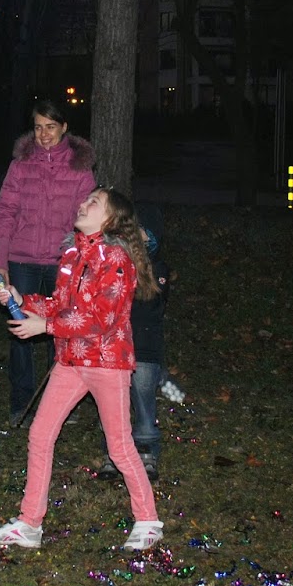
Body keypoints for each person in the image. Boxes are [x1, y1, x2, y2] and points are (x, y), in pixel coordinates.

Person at [0, 187, 165, 552]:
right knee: (40, 435)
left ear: (110, 219)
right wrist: (23, 300)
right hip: (70, 361)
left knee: (119, 446)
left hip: (107, 363)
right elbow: (60, 304)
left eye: (93, 203)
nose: (82, 204)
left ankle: (148, 521)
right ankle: (30, 523)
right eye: (84, 201)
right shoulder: (73, 253)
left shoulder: (117, 258)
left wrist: (45, 327)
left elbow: (102, 319)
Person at [0, 99, 96, 425]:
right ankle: (21, 403)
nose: (44, 134)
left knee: (61, 333)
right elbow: (5, 212)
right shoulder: (20, 165)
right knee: (20, 331)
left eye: (51, 127)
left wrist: (80, 261)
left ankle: (59, 404)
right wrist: (1, 261)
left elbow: (89, 218)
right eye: (38, 127)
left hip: (60, 262)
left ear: (64, 127)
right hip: (21, 260)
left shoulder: (79, 168)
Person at [99, 202, 169, 482]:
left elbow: (150, 305)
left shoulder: (157, 268)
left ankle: (146, 451)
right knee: (113, 404)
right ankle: (113, 454)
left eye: (140, 230)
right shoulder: (114, 262)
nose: (133, 235)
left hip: (144, 349)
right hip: (114, 349)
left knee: (143, 399)